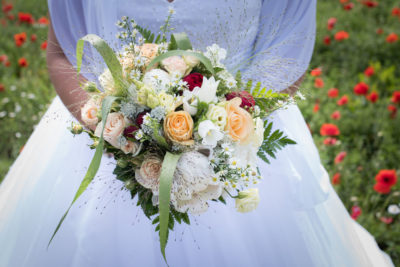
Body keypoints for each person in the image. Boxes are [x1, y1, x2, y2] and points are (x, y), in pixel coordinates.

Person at [0, 0, 394, 266]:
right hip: (104, 140)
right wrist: (115, 131)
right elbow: (61, 52)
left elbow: (286, 52)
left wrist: (218, 133)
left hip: (236, 146)